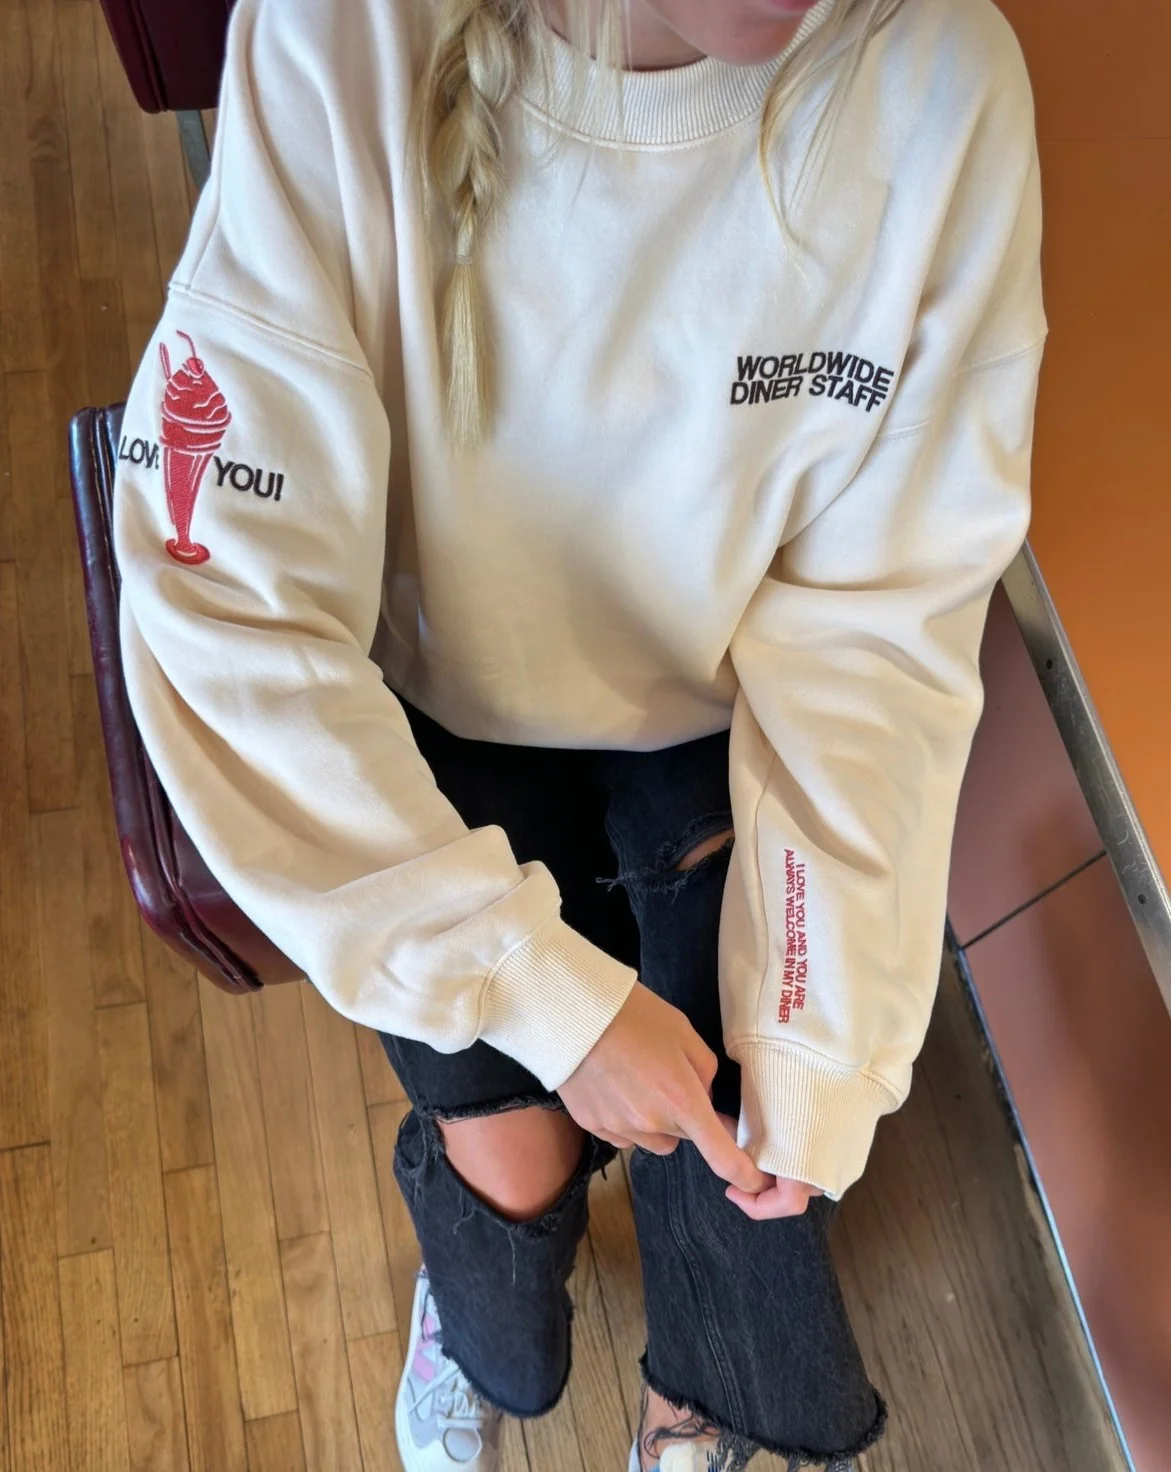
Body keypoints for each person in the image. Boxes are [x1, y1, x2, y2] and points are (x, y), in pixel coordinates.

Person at [112, 0, 1048, 1464]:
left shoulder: (944, 86)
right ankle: (477, 1308)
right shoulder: (341, 35)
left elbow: (877, 629)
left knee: (750, 1134)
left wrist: (825, 1036)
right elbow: (223, 596)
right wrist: (542, 996)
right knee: (510, 1152)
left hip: (721, 707)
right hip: (430, 710)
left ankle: (697, 1406)